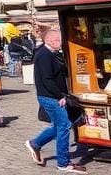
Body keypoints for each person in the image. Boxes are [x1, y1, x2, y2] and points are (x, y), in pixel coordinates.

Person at [25, 29, 85, 173]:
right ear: (50, 40)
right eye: (58, 39)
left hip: (53, 95)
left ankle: (35, 143)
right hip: (51, 97)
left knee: (63, 125)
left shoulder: (51, 53)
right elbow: (47, 79)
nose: (61, 41)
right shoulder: (44, 55)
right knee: (64, 126)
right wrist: (60, 96)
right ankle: (63, 163)